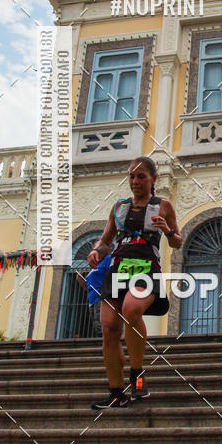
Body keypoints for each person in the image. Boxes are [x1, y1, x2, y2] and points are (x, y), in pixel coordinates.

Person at [87, 156, 182, 409]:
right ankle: (116, 393)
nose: (135, 181)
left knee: (131, 308)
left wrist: (167, 230)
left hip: (146, 268)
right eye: (131, 176)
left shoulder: (163, 206)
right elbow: (106, 240)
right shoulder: (119, 206)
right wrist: (96, 250)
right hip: (118, 268)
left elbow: (177, 241)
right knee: (109, 329)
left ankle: (137, 376)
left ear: (153, 179)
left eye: (141, 176)